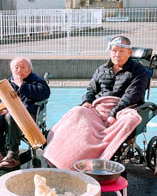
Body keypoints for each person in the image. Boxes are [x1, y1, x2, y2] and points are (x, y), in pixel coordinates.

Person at [43, 35, 150, 169]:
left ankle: (94, 159)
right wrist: (87, 101)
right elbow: (91, 90)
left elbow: (131, 96)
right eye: (114, 50)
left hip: (122, 108)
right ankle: (58, 155)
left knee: (129, 120)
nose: (117, 54)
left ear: (129, 52)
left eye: (121, 51)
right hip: (98, 107)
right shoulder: (102, 69)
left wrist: (113, 113)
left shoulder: (139, 71)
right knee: (77, 112)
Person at [0, 57, 50, 170]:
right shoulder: (8, 82)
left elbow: (44, 93)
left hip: (29, 116)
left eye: (22, 67)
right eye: (16, 68)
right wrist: (1, 108)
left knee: (12, 116)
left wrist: (22, 85)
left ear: (29, 70)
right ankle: (0, 154)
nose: (19, 70)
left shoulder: (36, 81)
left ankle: (13, 156)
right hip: (8, 115)